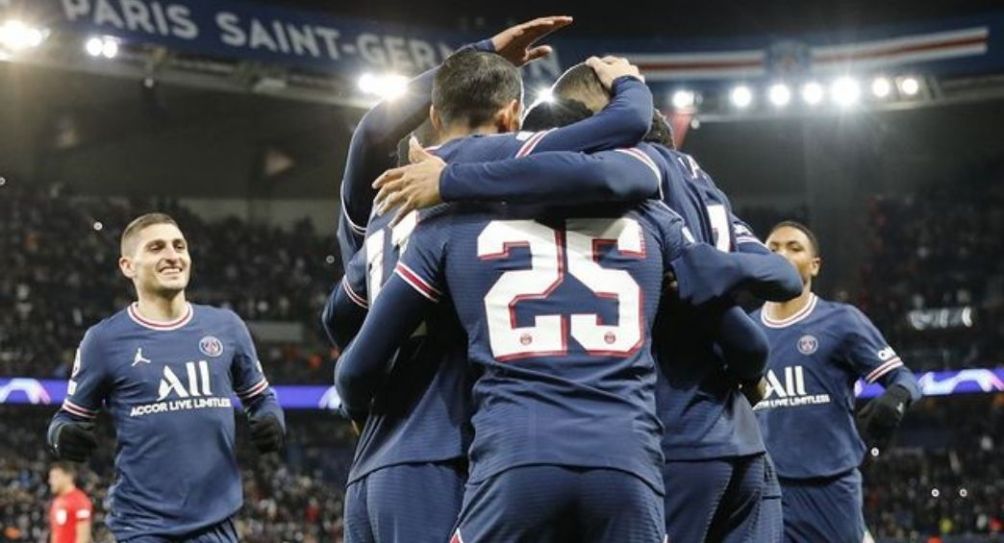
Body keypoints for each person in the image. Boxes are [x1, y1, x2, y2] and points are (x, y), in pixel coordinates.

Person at [336, 51, 794, 542]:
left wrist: (361, 408)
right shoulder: (654, 202)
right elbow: (761, 316)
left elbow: (343, 328)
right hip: (653, 449)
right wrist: (716, 275)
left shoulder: (435, 213)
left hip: (484, 453)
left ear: (433, 115)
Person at [322, 17, 579, 543]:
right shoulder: (510, 187)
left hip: (373, 461)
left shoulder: (381, 205)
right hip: (454, 449)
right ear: (512, 118)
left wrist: (479, 55)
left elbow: (371, 132)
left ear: (433, 116)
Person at [46, 213, 285, 543]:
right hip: (143, 529)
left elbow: (262, 399)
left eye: (179, 246)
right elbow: (67, 418)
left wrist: (272, 417)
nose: (172, 255)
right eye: (156, 247)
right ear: (128, 266)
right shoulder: (103, 340)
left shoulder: (227, 327)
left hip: (217, 527)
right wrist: (62, 435)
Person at [753, 221, 922, 543]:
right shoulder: (744, 330)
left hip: (829, 488)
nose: (781, 254)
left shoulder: (841, 321)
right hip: (765, 487)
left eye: (794, 247)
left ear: (814, 265)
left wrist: (896, 397)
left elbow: (905, 378)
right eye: (772, 248)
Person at [48, 462, 92, 543]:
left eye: (55, 477)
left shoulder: (80, 500)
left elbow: (83, 536)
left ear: (68, 477)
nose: (50, 481)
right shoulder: (57, 502)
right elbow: (55, 534)